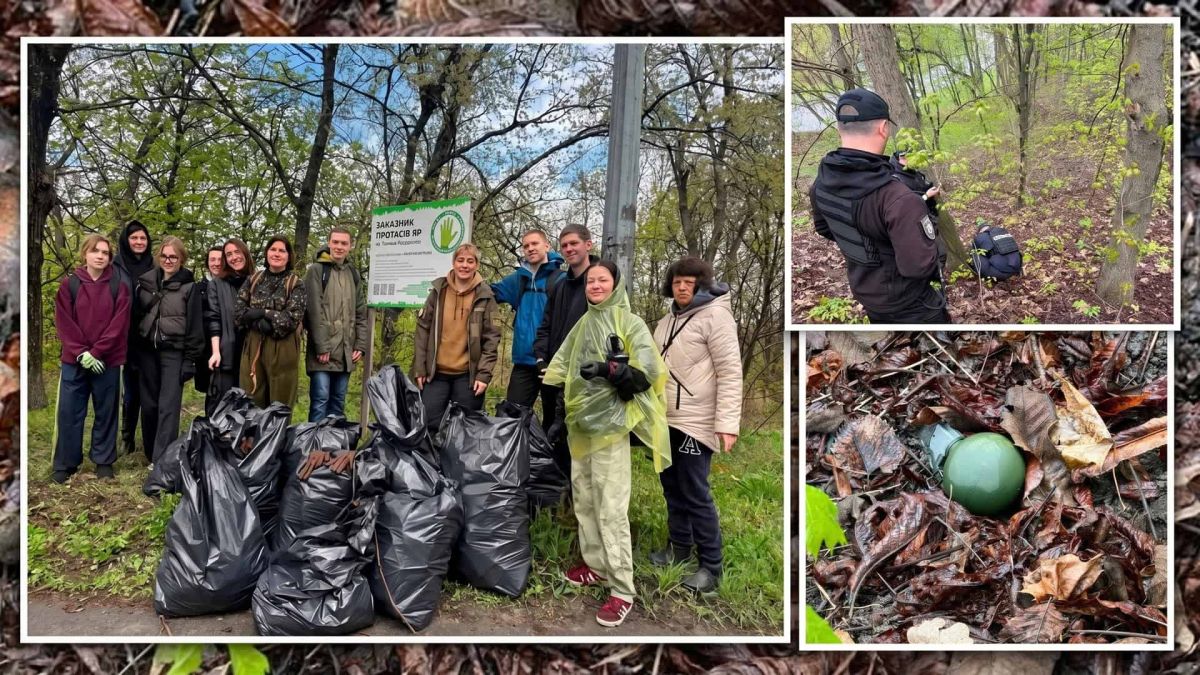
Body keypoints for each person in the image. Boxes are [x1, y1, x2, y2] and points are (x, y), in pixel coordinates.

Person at [543, 260, 671, 628]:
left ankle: (621, 590)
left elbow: (647, 375)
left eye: (603, 280)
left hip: (612, 429)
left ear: (615, 285)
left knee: (611, 507)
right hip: (581, 427)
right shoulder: (584, 324)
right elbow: (560, 368)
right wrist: (552, 412)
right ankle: (595, 566)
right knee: (584, 498)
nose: (595, 286)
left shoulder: (630, 324)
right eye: (591, 281)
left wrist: (611, 369)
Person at [809, 88, 949, 324]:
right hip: (913, 307)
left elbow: (824, 228)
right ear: (883, 128)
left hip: (868, 295)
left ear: (839, 129)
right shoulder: (898, 199)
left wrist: (867, 246)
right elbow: (918, 267)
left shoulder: (821, 184)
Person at [650, 256, 742, 594]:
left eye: (689, 282)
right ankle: (678, 549)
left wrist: (727, 423)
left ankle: (711, 568)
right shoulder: (665, 321)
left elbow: (731, 371)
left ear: (701, 283)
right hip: (665, 419)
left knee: (695, 492)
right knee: (671, 487)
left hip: (697, 421)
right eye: (677, 282)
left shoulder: (716, 317)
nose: (682, 287)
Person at [51, 235, 132, 483]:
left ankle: (104, 460)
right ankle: (66, 463)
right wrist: (81, 352)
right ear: (85, 253)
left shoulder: (119, 286)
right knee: (69, 411)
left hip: (107, 361)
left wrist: (97, 352)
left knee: (106, 411)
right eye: (95, 251)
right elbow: (64, 322)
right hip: (74, 361)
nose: (100, 256)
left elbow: (119, 324)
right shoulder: (70, 284)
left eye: (105, 253)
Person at [412, 243, 500, 436]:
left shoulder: (485, 295)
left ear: (476, 265)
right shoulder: (438, 290)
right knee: (428, 426)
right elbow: (423, 330)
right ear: (453, 263)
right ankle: (431, 466)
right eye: (460, 260)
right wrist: (420, 367)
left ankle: (458, 467)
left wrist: (484, 375)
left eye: (470, 261)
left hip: (468, 376)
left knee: (464, 431)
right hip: (435, 374)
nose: (465, 265)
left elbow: (492, 338)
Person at [532, 223, 599, 475]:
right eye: (565, 245)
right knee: (554, 435)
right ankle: (559, 500)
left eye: (574, 243)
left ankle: (579, 501)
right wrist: (541, 360)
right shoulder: (559, 285)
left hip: (585, 381)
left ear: (588, 245)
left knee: (581, 443)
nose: (569, 249)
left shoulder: (600, 285)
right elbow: (545, 326)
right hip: (553, 378)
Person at [133, 236, 204, 462]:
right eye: (164, 255)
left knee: (168, 406)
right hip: (147, 351)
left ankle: (163, 459)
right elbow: (136, 319)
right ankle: (150, 451)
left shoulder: (189, 287)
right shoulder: (145, 284)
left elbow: (195, 325)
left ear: (181, 258)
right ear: (158, 256)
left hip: (174, 351)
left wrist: (190, 360)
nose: (168, 260)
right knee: (150, 404)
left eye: (173, 256)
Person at [490, 228, 564, 416]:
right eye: (526, 246)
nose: (530, 248)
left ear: (547, 245)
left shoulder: (561, 279)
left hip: (552, 363)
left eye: (535, 244)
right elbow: (490, 293)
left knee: (554, 420)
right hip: (523, 362)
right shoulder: (519, 279)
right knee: (511, 419)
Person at [303, 227, 369, 422]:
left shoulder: (353, 274)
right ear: (329, 243)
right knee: (320, 401)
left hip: (346, 352)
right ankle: (313, 448)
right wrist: (322, 346)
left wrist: (360, 345)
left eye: (344, 243)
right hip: (322, 353)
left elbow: (360, 311)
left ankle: (333, 449)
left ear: (350, 246)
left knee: (338, 403)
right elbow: (314, 311)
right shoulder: (316, 270)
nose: (339, 247)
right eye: (336, 242)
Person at [235, 236, 306, 409]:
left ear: (288, 256)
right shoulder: (253, 280)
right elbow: (238, 313)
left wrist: (261, 313)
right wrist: (261, 320)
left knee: (279, 403)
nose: (277, 254)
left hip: (283, 347)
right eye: (273, 249)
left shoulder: (296, 284)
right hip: (253, 344)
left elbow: (290, 320)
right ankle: (252, 436)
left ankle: (276, 436)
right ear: (267, 252)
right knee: (251, 397)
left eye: (282, 251)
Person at [113, 220, 154, 456]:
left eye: (143, 238)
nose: (139, 242)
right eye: (134, 238)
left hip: (149, 338)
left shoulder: (154, 265)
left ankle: (149, 438)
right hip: (124, 338)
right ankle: (127, 439)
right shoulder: (116, 265)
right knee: (129, 392)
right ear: (126, 241)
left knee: (147, 388)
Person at [203, 238, 254, 413]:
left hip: (252, 352)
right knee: (223, 406)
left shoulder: (256, 281)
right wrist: (216, 351)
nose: (234, 257)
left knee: (248, 406)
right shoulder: (217, 284)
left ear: (245, 253)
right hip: (227, 351)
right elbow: (214, 318)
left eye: (237, 252)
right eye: (229, 254)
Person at [192, 245, 225, 403]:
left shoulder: (232, 287)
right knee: (211, 393)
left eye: (220, 259)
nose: (216, 263)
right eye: (213, 259)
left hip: (229, 346)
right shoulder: (198, 289)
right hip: (205, 349)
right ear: (207, 263)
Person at [890, 150, 940, 218]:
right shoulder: (897, 180)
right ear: (896, 161)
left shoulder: (914, 172)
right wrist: (926, 196)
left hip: (931, 212)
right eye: (904, 158)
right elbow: (907, 205)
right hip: (919, 217)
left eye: (910, 157)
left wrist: (932, 190)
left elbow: (922, 187)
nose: (908, 160)